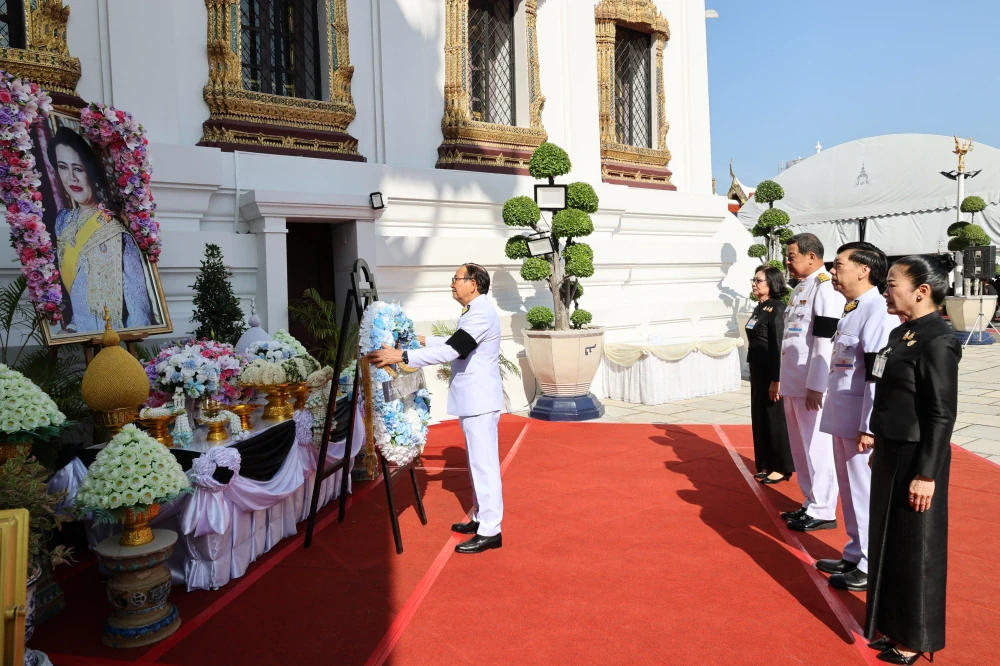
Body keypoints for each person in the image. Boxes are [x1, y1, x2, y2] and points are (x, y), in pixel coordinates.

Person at [368, 263, 504, 554]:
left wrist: (402, 355)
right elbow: (457, 341)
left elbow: (454, 349)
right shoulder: (475, 311)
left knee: (484, 466)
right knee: (477, 464)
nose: (452, 284)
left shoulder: (481, 313)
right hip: (475, 400)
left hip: (480, 401)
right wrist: (422, 340)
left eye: (456, 279)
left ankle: (491, 530)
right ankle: (481, 517)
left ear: (473, 284)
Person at [865, 255, 960, 664]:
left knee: (918, 548)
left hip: (918, 456)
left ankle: (917, 638)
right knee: (889, 540)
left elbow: (941, 414)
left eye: (892, 284)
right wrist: (878, 440)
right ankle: (892, 624)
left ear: (921, 291)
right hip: (891, 449)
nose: (886, 291)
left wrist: (927, 473)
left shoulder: (938, 339)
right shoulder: (902, 332)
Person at [814, 242, 898, 593]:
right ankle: (854, 552)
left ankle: (868, 562)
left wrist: (870, 425)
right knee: (849, 491)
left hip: (860, 423)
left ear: (864, 270)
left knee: (863, 493)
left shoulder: (878, 310)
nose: (832, 272)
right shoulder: (853, 309)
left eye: (839, 265)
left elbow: (877, 373)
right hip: (843, 416)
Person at [48, 126, 151, 334]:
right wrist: (73, 329)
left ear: (92, 171)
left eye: (78, 168)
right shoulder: (64, 222)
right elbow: (79, 293)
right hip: (80, 340)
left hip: (114, 341)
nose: (72, 178)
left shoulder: (116, 231)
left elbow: (138, 311)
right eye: (63, 167)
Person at [779, 233, 845, 531]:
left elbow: (824, 339)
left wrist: (817, 385)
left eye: (791, 256)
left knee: (817, 446)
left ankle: (823, 508)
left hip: (810, 382)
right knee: (800, 446)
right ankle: (810, 501)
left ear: (811, 257)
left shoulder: (825, 287)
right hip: (794, 380)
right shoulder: (800, 287)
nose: (787, 262)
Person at [745, 265, 794, 484]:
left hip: (771, 370)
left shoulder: (778, 307)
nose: (754, 284)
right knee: (760, 416)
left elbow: (778, 345)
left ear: (772, 283)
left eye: (759, 280)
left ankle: (781, 467)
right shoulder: (760, 307)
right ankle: (766, 462)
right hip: (757, 370)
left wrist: (777, 379)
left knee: (775, 418)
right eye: (753, 280)